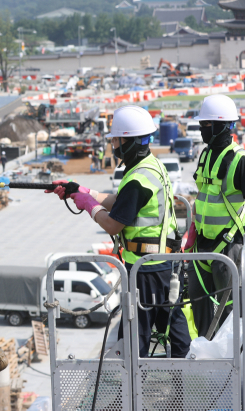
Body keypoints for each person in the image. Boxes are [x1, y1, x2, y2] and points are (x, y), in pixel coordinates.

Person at [47, 105, 190, 358]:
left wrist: (89, 206)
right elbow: (119, 201)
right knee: (173, 329)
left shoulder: (138, 179)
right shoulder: (149, 167)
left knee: (136, 339)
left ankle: (136, 391)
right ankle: (184, 378)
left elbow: (113, 223)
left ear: (130, 141)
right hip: (161, 264)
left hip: (148, 270)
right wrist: (81, 191)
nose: (113, 145)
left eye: (116, 139)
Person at [184, 94, 243, 338]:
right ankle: (208, 355)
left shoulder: (239, 161)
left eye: (207, 125)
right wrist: (191, 233)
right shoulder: (206, 155)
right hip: (202, 246)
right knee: (199, 305)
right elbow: (203, 198)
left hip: (228, 247)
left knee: (231, 311)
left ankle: (234, 363)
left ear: (224, 126)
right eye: (202, 125)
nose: (202, 129)